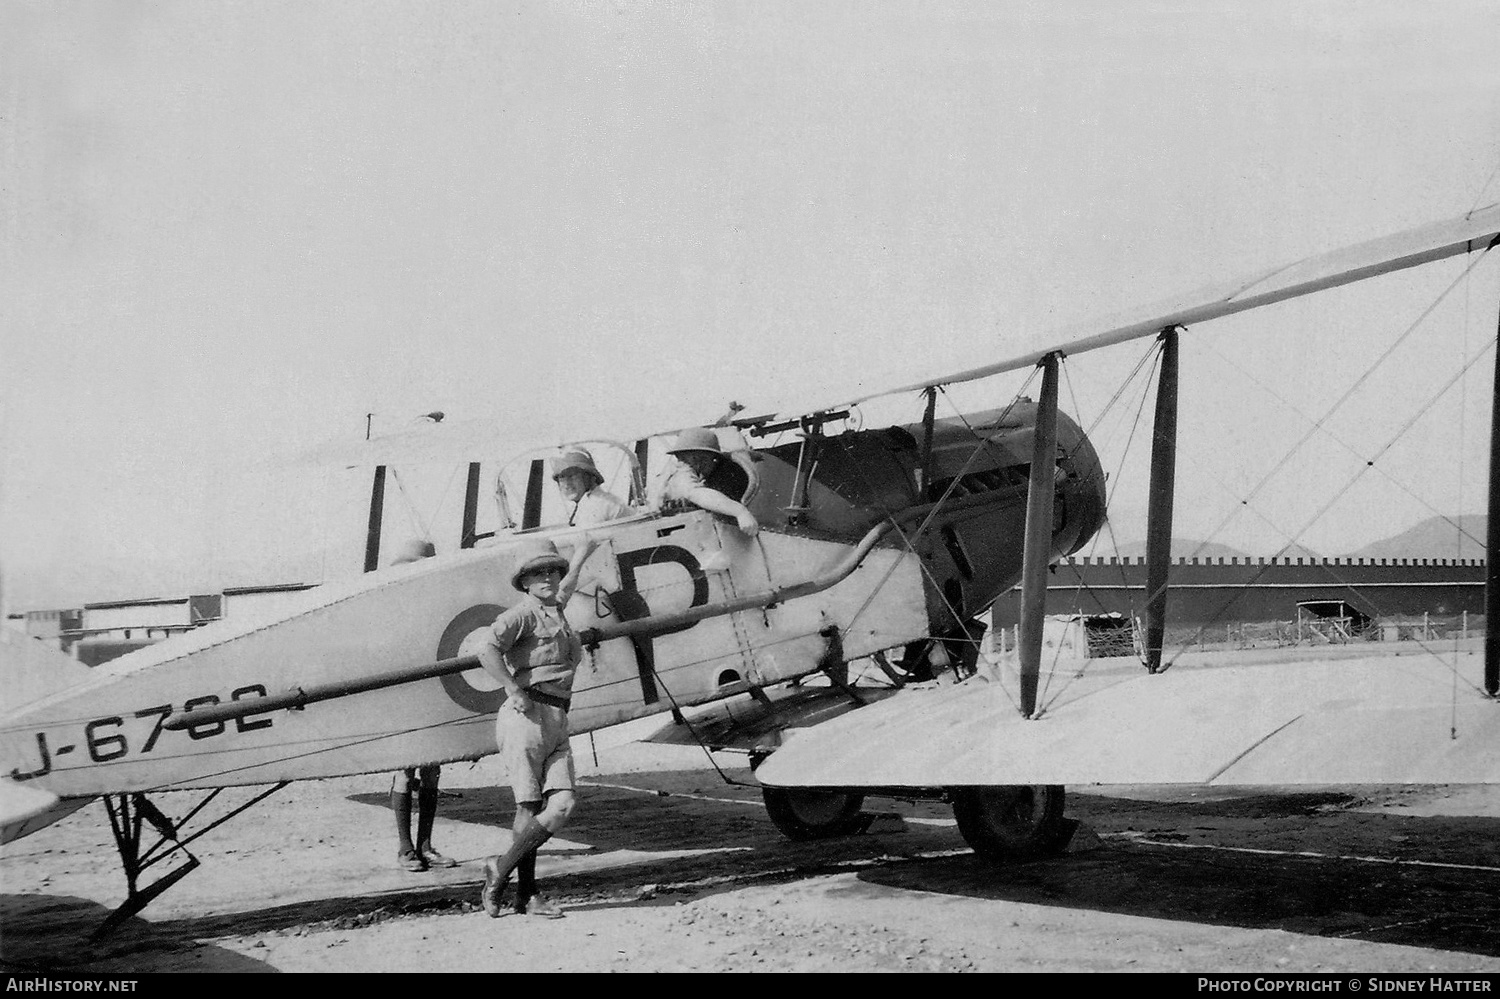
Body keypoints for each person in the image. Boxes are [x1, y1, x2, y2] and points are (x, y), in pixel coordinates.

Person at [476, 535, 599, 918]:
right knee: (529, 807)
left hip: (558, 717)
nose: (547, 577)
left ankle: (500, 868)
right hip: (527, 717)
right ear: (524, 581)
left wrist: (581, 553)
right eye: (537, 572)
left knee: (561, 805)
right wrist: (511, 687)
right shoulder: (522, 614)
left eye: (551, 570)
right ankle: (527, 895)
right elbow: (486, 649)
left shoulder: (555, 608)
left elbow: (568, 584)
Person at [386, 539, 459, 873]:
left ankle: (425, 846)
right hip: (404, 698)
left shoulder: (438, 606)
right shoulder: (390, 609)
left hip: (434, 695)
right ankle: (405, 849)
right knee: (405, 769)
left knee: (432, 770)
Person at [650, 427, 760, 536]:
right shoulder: (682, 473)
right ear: (697, 459)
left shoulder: (671, 473)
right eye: (710, 459)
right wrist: (740, 512)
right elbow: (696, 494)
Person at [550, 448, 632, 526]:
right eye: (562, 478)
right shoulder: (594, 500)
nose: (567, 484)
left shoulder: (597, 504)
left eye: (573, 476)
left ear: (590, 477)